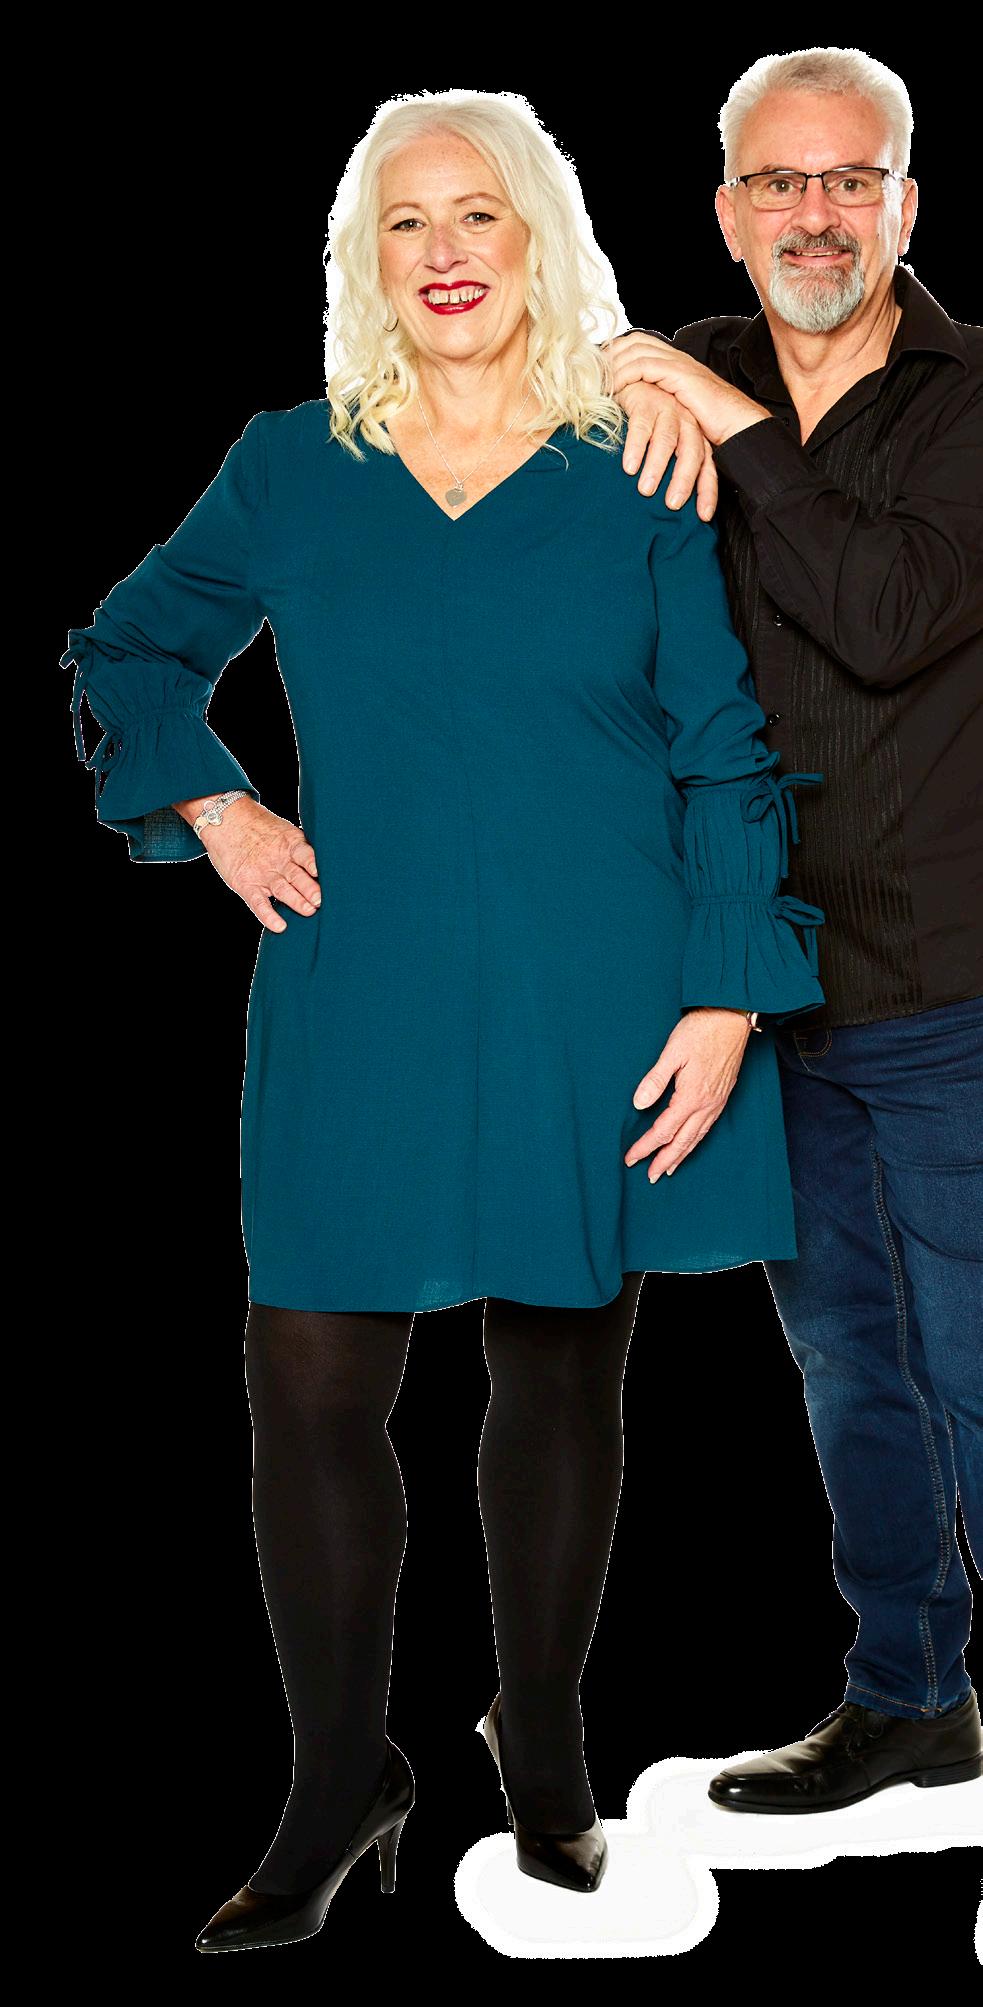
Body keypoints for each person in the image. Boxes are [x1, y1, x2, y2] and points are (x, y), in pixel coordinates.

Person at [59, 92, 827, 1951]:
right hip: (365, 980)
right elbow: (127, 647)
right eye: (405, 223)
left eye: (478, 213)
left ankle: (542, 1741)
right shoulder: (291, 464)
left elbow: (726, 748)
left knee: (559, 1368)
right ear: (366, 263)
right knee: (310, 1382)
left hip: (601, 988)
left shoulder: (634, 466)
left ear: (539, 237)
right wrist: (215, 802)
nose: (445, 251)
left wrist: (730, 988)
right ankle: (343, 1775)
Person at [602, 44, 982, 1814]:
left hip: (954, 985)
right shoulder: (665, 387)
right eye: (779, 181)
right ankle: (909, 1697)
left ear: (905, 201)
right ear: (728, 210)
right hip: (761, 993)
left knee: (979, 1367)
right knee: (850, 1373)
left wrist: (721, 417)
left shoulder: (972, 398)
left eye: (850, 178)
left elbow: (889, 614)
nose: (814, 214)